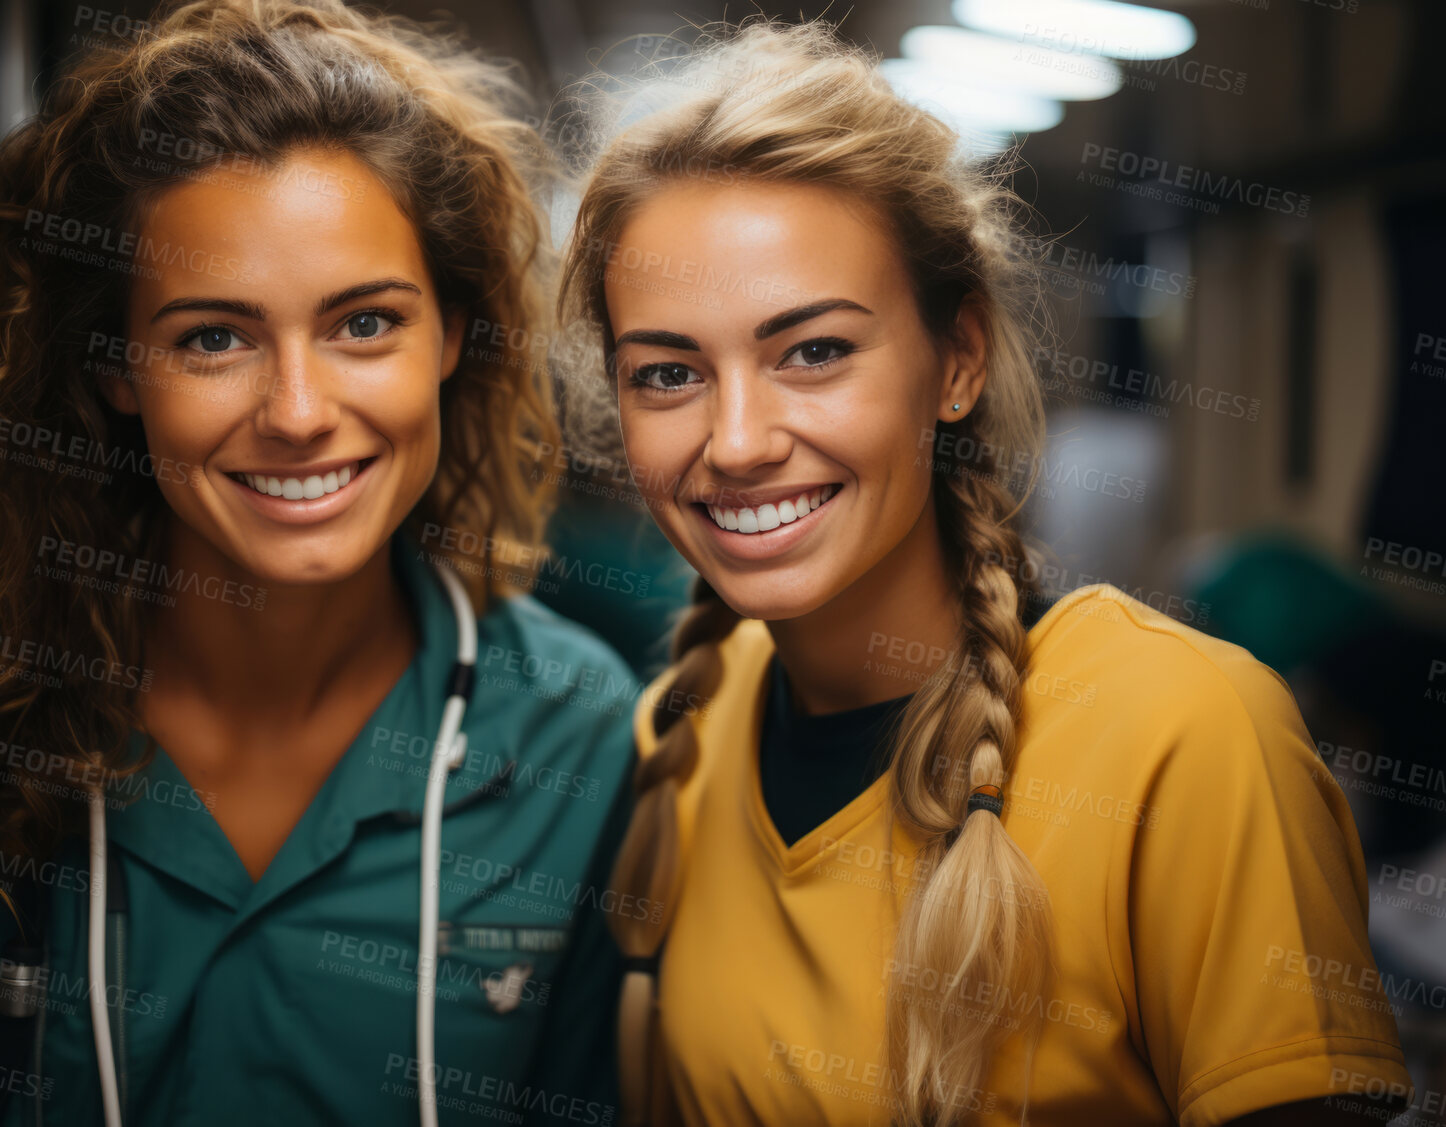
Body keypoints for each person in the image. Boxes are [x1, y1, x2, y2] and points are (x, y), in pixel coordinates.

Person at [0, 3, 633, 1124]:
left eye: (365, 323)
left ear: (451, 333)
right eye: (213, 337)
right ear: (114, 367)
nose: (299, 413)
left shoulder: (578, 735)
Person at [557, 21, 1413, 1127]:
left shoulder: (1183, 736)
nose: (734, 441)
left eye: (812, 351)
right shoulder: (683, 739)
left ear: (955, 360)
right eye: (668, 372)